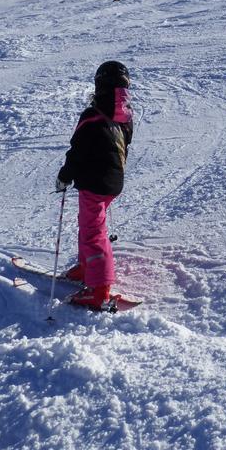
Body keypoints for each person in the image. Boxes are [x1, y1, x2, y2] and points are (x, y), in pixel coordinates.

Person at [55, 61, 134, 310]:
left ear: (99, 84)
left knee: (93, 232)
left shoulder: (92, 116)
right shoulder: (125, 116)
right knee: (89, 224)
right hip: (113, 181)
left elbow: (77, 151)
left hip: (94, 182)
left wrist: (65, 176)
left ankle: (99, 289)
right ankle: (86, 267)